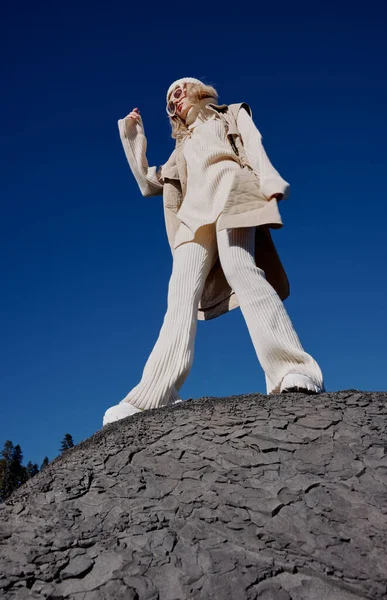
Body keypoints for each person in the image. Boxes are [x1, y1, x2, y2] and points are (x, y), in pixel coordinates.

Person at [103, 77, 324, 426]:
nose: (175, 100)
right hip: (192, 211)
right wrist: (134, 138)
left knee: (240, 267)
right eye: (169, 100)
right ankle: (153, 395)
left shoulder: (229, 115)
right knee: (180, 293)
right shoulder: (181, 147)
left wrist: (268, 181)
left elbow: (253, 143)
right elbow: (149, 183)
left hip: (232, 189)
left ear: (197, 89)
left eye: (179, 91)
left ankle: (291, 369)